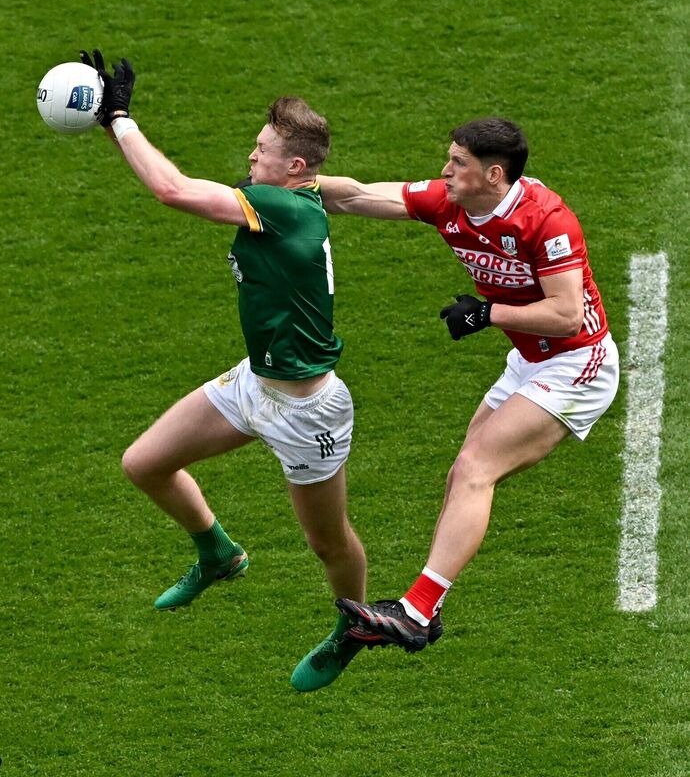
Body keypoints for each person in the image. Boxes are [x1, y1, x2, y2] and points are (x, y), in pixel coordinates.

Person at [79, 49, 367, 691]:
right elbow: (351, 191)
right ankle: (218, 553)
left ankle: (354, 626)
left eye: (261, 149)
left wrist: (118, 118)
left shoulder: (284, 207)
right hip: (254, 382)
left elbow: (171, 190)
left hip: (305, 409)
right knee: (144, 463)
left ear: (293, 167)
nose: (250, 156)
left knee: (328, 544)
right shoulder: (301, 194)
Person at [317, 117, 619, 652]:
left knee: (478, 468)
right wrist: (285, 186)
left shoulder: (547, 221)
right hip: (529, 362)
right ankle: (423, 610)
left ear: (494, 175)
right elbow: (360, 196)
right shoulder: (452, 203)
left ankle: (414, 612)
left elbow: (569, 315)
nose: (445, 170)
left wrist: (487, 314)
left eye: (458, 163)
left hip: (577, 362)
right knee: (464, 472)